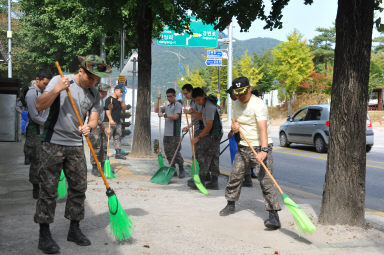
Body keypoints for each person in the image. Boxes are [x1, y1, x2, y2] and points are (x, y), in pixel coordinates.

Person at [34, 55, 111, 254]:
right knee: (49, 189)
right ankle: (44, 234)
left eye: (97, 79)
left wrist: (89, 127)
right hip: (53, 142)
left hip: (76, 144)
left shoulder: (94, 93)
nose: (94, 82)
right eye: (91, 77)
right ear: (81, 71)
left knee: (79, 188)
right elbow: (40, 105)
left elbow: (94, 119)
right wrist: (57, 89)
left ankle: (74, 229)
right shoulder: (60, 80)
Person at [219, 76, 281, 230]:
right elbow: (235, 123)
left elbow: (263, 128)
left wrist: (264, 150)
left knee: (266, 181)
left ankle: (273, 215)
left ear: (250, 89)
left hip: (260, 146)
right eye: (237, 94)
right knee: (235, 176)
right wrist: (234, 128)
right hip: (243, 147)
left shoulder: (258, 105)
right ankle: (230, 204)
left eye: (242, 93)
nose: (240, 97)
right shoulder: (235, 104)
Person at [25, 69, 52, 199]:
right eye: (45, 83)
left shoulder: (45, 92)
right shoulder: (31, 94)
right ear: (37, 80)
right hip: (36, 132)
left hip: (45, 130)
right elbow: (34, 116)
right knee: (36, 161)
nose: (47, 86)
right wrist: (47, 124)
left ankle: (44, 185)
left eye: (48, 84)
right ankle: (36, 187)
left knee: (46, 161)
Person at [190, 87, 223, 190]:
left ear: (204, 96)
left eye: (199, 99)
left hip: (214, 134)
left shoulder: (209, 106)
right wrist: (192, 113)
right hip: (212, 133)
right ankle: (213, 182)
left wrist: (198, 137)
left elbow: (208, 125)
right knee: (213, 157)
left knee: (206, 156)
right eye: (196, 101)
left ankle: (202, 181)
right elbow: (202, 116)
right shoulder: (204, 104)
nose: (198, 102)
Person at [226, 87, 255, 187]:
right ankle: (246, 179)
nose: (230, 97)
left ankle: (245, 179)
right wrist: (232, 131)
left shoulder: (245, 104)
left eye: (231, 94)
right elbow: (236, 120)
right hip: (239, 135)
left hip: (246, 135)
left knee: (243, 158)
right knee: (243, 158)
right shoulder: (236, 104)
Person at [155, 88, 185, 178]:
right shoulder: (168, 106)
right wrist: (158, 100)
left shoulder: (178, 105)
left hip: (174, 133)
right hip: (167, 134)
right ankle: (172, 169)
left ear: (174, 96)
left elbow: (176, 116)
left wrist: (164, 115)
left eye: (170, 96)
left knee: (176, 152)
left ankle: (181, 168)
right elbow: (157, 110)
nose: (168, 98)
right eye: (167, 96)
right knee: (168, 152)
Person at [181, 84, 205, 185]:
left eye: (186, 93)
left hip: (201, 130)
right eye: (184, 94)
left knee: (198, 154)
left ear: (191, 91)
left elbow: (201, 116)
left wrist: (190, 113)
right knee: (196, 153)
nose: (185, 96)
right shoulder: (192, 101)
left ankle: (199, 176)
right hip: (196, 128)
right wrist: (189, 126)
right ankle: (200, 175)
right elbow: (195, 118)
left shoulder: (198, 101)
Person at [89, 83, 109, 176]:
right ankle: (94, 168)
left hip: (101, 127)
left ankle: (103, 166)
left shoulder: (101, 100)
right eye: (104, 92)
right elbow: (94, 117)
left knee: (103, 147)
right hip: (94, 128)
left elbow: (101, 111)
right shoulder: (94, 99)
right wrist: (105, 127)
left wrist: (107, 108)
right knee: (95, 147)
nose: (105, 94)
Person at [103, 84, 127, 160]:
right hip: (109, 122)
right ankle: (104, 153)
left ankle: (118, 153)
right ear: (116, 90)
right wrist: (110, 119)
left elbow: (124, 108)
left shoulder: (119, 100)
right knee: (107, 137)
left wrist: (122, 102)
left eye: (122, 92)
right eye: (120, 92)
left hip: (117, 121)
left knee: (117, 137)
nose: (121, 93)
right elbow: (107, 110)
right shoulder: (109, 99)